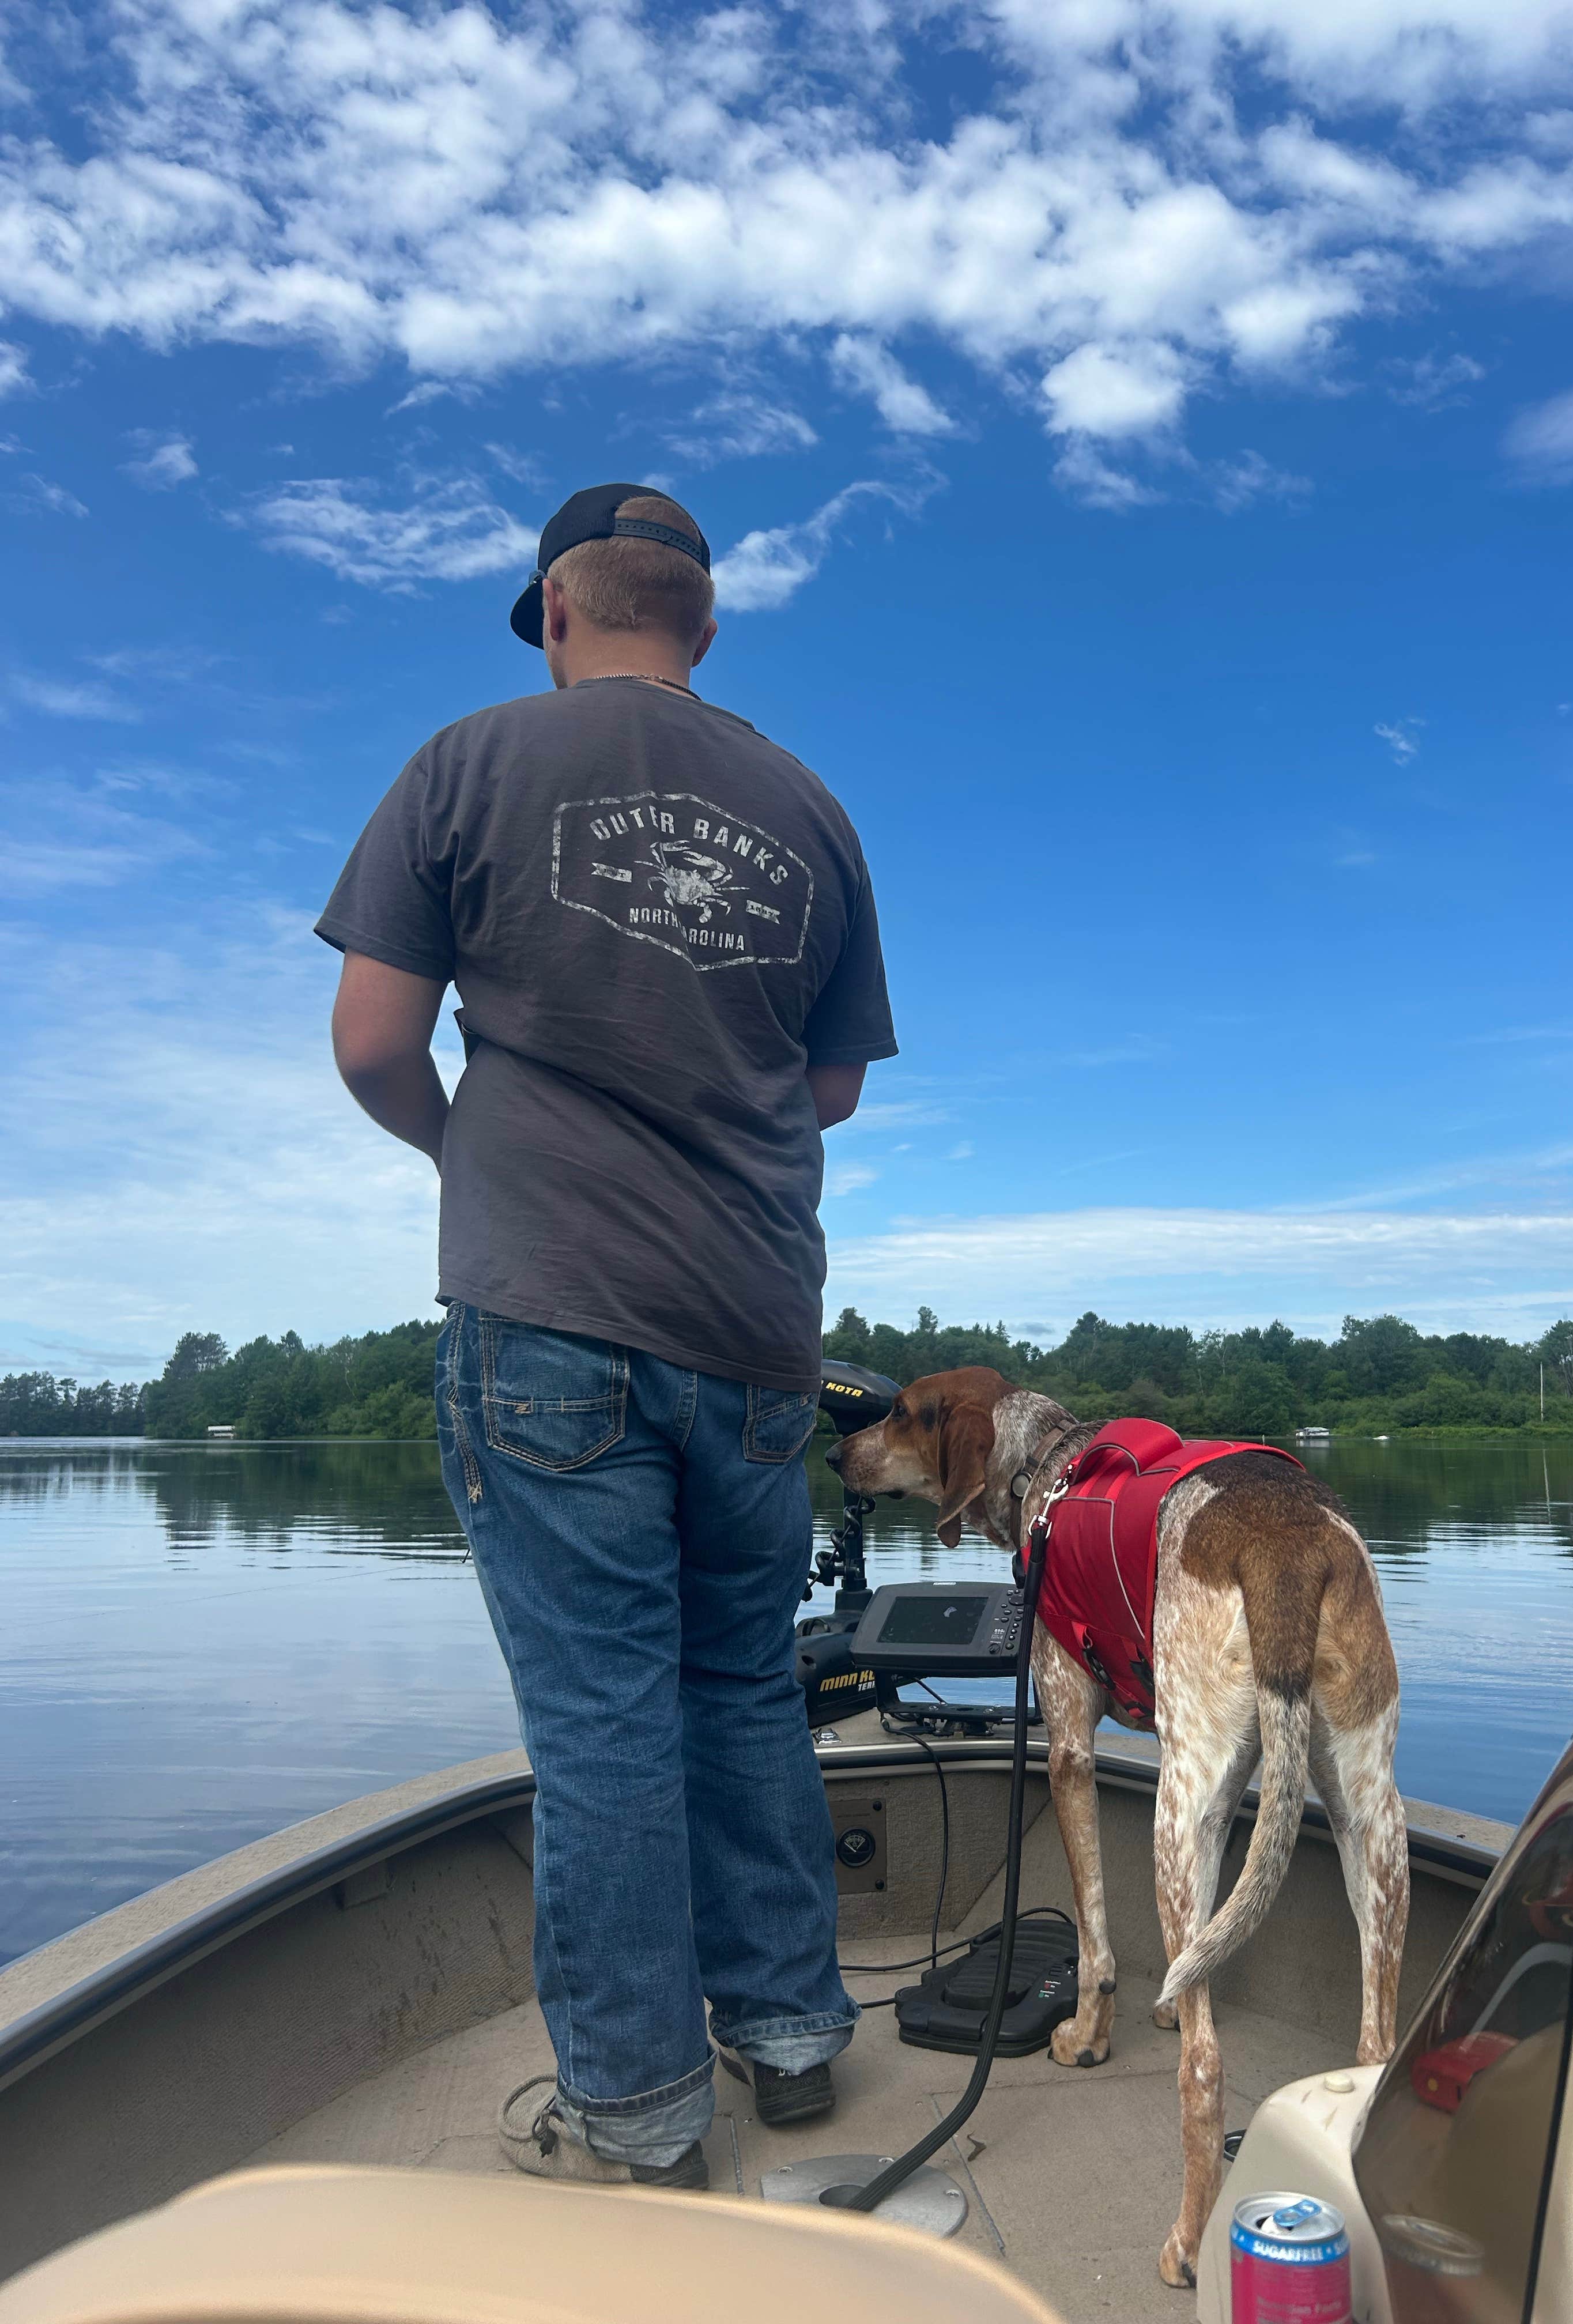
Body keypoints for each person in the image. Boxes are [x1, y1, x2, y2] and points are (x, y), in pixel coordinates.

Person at [315, 482, 897, 2189]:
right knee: (740, 1693)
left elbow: (368, 1042)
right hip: (755, 1331)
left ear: (559, 611)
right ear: (701, 626)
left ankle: (642, 2109)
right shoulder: (814, 808)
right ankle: (790, 2034)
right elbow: (837, 1086)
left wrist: (468, 1151)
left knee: (602, 1726)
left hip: (549, 1314)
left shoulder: (466, 763)